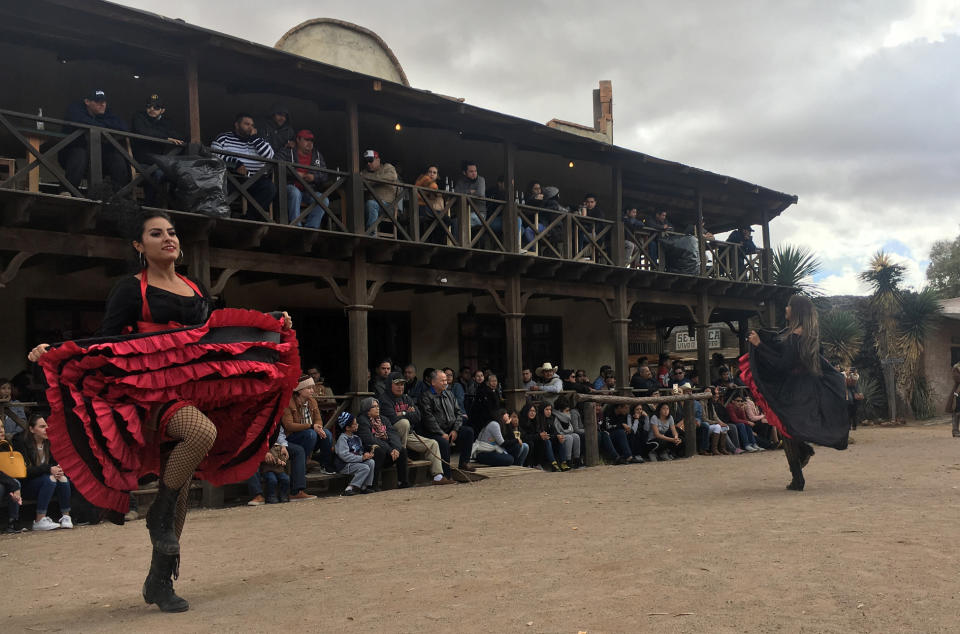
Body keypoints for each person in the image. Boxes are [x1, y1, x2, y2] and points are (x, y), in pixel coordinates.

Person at [27, 209, 298, 612]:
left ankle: (159, 581)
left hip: (193, 389)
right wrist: (59, 354)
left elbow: (213, 336)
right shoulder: (129, 289)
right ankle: (159, 514)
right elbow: (107, 341)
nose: (168, 238)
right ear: (140, 246)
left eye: (171, 232)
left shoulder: (194, 286)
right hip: (151, 396)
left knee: (184, 486)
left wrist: (270, 325)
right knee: (201, 433)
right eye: (156, 234)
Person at [743, 294, 849, 491]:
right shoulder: (810, 335)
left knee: (788, 429)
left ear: (796, 310)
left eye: (789, 307)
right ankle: (799, 469)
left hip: (794, 389)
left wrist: (759, 345)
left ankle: (799, 469)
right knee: (788, 429)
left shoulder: (795, 336)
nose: (786, 309)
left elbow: (783, 364)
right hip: (808, 387)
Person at [379, 373, 453, 485]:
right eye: (397, 384)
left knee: (433, 444)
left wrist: (402, 413)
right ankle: (402, 455)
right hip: (391, 436)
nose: (400, 387)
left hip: (408, 434)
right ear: (390, 385)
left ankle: (438, 477)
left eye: (402, 384)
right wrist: (408, 413)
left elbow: (418, 417)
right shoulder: (384, 399)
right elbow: (393, 418)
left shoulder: (406, 398)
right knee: (404, 423)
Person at [60, 88, 131, 191]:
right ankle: (67, 192)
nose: (102, 105)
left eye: (104, 102)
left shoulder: (106, 113)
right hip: (70, 154)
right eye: (98, 102)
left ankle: (119, 196)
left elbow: (123, 127)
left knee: (117, 158)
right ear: (87, 102)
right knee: (80, 154)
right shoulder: (75, 108)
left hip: (100, 159)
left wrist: (100, 123)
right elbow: (79, 119)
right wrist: (104, 126)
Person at [13, 413, 72, 531]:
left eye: (46, 426)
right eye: (42, 427)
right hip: (26, 485)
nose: (46, 429)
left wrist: (58, 469)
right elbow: (25, 471)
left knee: (62, 478)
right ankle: (39, 520)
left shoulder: (49, 442)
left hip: (47, 483)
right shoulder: (21, 442)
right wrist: (49, 469)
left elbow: (54, 464)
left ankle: (66, 516)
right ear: (31, 429)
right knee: (50, 478)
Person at [211, 113, 276, 219]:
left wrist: (255, 138)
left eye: (252, 125)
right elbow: (214, 155)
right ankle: (222, 217)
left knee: (270, 188)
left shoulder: (259, 140)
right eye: (247, 124)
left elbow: (270, 156)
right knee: (220, 185)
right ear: (237, 125)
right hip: (231, 178)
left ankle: (249, 219)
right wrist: (235, 164)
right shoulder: (224, 137)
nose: (250, 127)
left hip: (255, 179)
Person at [418, 369, 476, 478]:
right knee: (443, 442)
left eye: (446, 380)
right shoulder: (425, 396)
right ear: (433, 382)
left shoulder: (449, 394)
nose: (446, 382)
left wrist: (455, 430)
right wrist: (441, 433)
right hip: (433, 432)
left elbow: (459, 413)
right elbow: (428, 419)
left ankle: (464, 463)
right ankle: (446, 474)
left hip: (450, 429)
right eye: (442, 380)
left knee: (468, 431)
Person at [130, 94, 184, 206]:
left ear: (162, 110)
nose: (151, 109)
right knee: (156, 173)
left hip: (158, 162)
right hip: (140, 161)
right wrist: (164, 137)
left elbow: (178, 136)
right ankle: (150, 207)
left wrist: (163, 135)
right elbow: (142, 131)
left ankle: (171, 208)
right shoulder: (139, 116)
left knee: (178, 174)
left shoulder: (166, 122)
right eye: (149, 106)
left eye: (156, 107)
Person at [282, 375, 334, 483]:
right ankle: (304, 463)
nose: (312, 390)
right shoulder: (288, 402)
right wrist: (311, 426)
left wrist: (318, 427)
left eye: (312, 387)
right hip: (292, 437)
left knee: (327, 433)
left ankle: (325, 465)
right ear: (300, 390)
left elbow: (318, 419)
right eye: (309, 388)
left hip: (310, 436)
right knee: (311, 433)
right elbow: (289, 425)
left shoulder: (312, 401)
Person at [277, 129, 329, 228]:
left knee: (324, 200)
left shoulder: (317, 155)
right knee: (295, 193)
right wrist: (294, 173)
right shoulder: (288, 151)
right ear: (298, 139)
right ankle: (296, 225)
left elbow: (325, 175)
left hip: (308, 191)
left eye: (311, 141)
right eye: (306, 140)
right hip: (289, 187)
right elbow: (276, 164)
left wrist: (314, 177)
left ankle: (312, 227)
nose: (310, 143)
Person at [357, 397, 409, 490]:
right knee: (379, 450)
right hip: (370, 452)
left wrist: (396, 449)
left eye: (378, 406)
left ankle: (403, 482)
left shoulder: (383, 419)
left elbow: (393, 435)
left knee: (402, 451)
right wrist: (390, 450)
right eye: (374, 406)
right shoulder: (362, 421)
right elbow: (369, 439)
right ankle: (373, 485)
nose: (378, 408)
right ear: (367, 409)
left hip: (389, 453)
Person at [334, 412, 375, 496]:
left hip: (354, 463)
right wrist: (361, 458)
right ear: (347, 428)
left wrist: (366, 455)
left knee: (371, 462)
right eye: (355, 424)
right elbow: (344, 456)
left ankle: (364, 487)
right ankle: (349, 488)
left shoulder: (356, 437)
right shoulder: (342, 438)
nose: (357, 425)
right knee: (365, 467)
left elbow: (359, 452)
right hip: (344, 465)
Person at [361, 150, 399, 231]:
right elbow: (360, 184)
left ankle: (371, 233)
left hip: (388, 206)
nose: (368, 163)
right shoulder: (364, 172)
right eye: (366, 161)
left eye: (370, 160)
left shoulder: (387, 167)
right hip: (369, 205)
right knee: (355, 206)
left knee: (371, 204)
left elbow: (393, 176)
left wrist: (372, 180)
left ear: (378, 160)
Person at [519, 403, 560, 471]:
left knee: (542, 441)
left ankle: (537, 464)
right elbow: (524, 437)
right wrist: (539, 436)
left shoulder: (535, 421)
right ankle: (528, 465)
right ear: (526, 411)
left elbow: (538, 433)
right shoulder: (521, 421)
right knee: (530, 443)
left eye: (534, 411)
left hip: (533, 439)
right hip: (524, 441)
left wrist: (543, 435)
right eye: (530, 411)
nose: (532, 413)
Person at [0, 425, 24, 532]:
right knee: (8, 486)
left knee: (11, 486)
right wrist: (15, 485)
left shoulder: (5, 445)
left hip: (5, 480)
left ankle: (13, 521)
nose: (1, 430)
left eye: (2, 427)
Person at [949, 362, 960, 438]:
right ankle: (955, 431)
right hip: (958, 392)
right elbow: (957, 379)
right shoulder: (956, 367)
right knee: (957, 410)